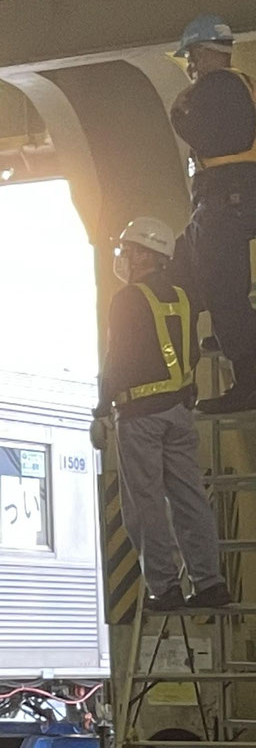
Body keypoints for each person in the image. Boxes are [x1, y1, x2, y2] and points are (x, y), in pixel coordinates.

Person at [95, 216, 229, 613]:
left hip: (139, 415)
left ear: (142, 254)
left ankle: (164, 587)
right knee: (189, 498)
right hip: (178, 411)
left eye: (126, 250)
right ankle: (210, 582)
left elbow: (116, 358)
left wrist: (102, 407)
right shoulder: (184, 296)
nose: (122, 257)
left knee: (146, 504)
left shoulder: (128, 298)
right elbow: (190, 353)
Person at [167, 14, 256, 413]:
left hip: (226, 201)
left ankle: (249, 379)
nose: (190, 66)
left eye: (192, 57)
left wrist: (180, 114)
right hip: (233, 199)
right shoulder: (240, 85)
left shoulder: (216, 86)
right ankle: (229, 333)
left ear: (203, 52)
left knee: (224, 291)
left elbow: (216, 139)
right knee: (192, 273)